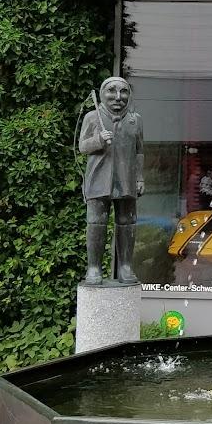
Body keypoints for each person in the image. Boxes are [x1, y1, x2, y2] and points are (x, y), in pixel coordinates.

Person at [79, 76, 144, 285]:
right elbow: (82, 146)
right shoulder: (92, 117)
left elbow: (139, 151)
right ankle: (94, 268)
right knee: (96, 222)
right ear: (102, 94)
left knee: (127, 222)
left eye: (123, 91)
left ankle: (125, 267)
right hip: (98, 177)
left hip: (126, 178)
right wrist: (99, 139)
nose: (118, 97)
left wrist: (139, 177)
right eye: (112, 91)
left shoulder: (135, 120)